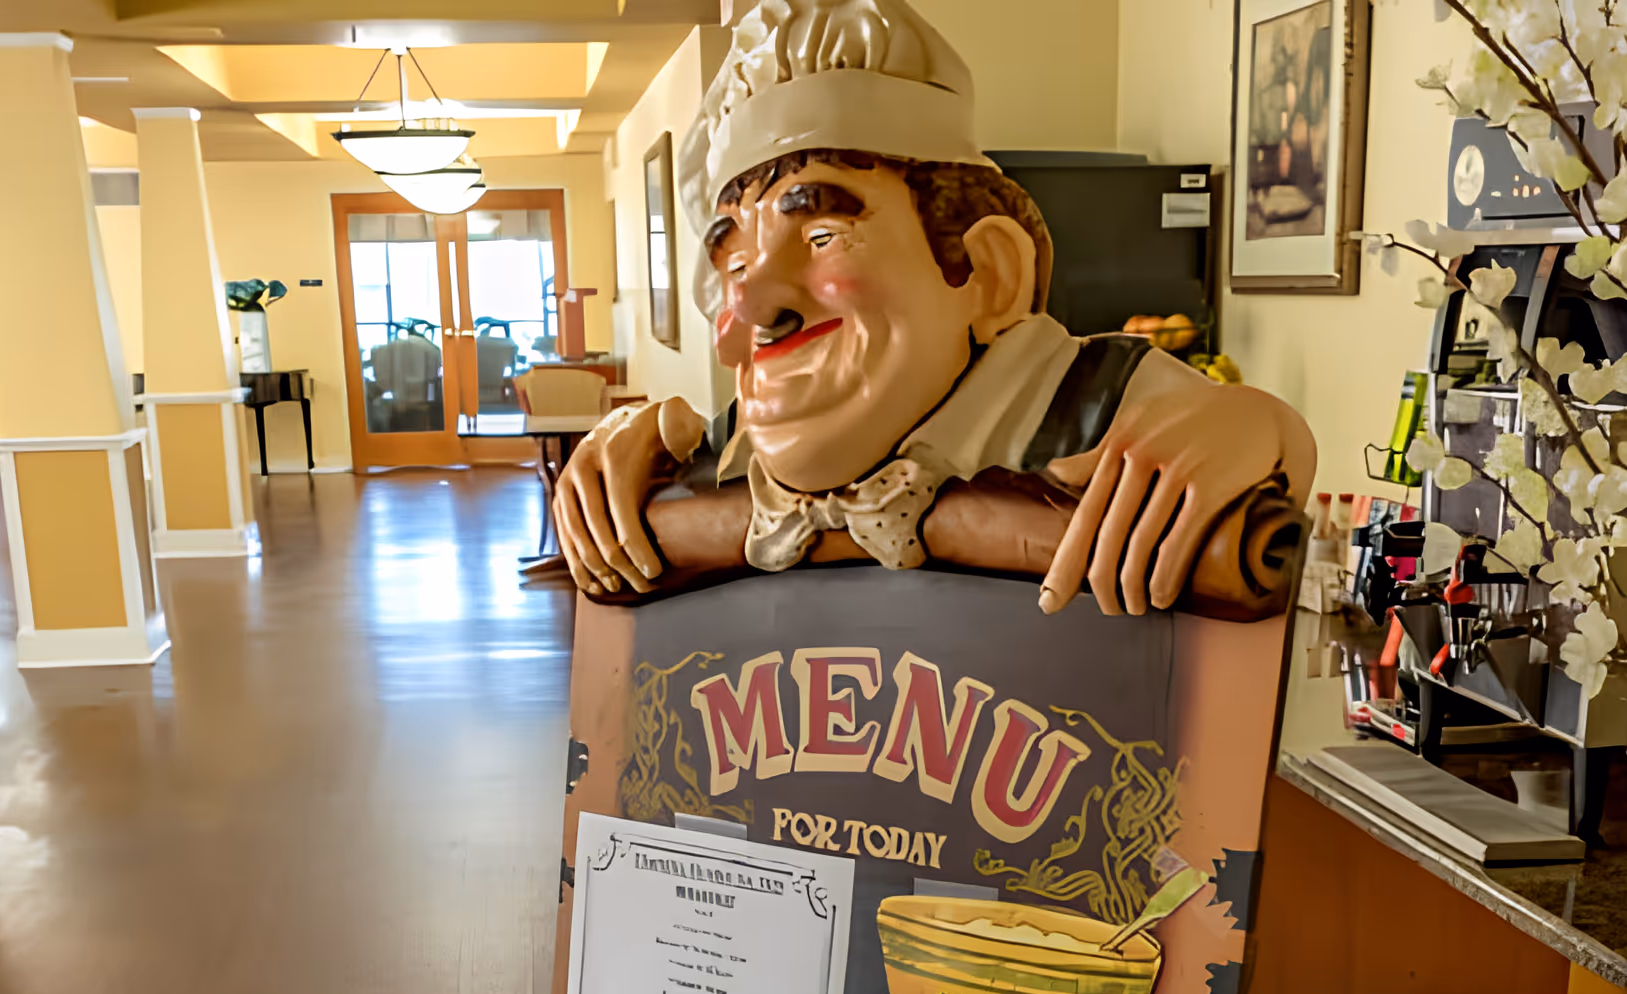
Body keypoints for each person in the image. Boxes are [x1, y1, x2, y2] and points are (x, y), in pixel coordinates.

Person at [554, 0, 1316, 619]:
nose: (752, 304)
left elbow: (1241, 462)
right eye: (736, 265)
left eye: (821, 234)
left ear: (988, 274)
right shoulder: (737, 452)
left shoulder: (1094, 404)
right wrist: (629, 447)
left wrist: (1261, 427)